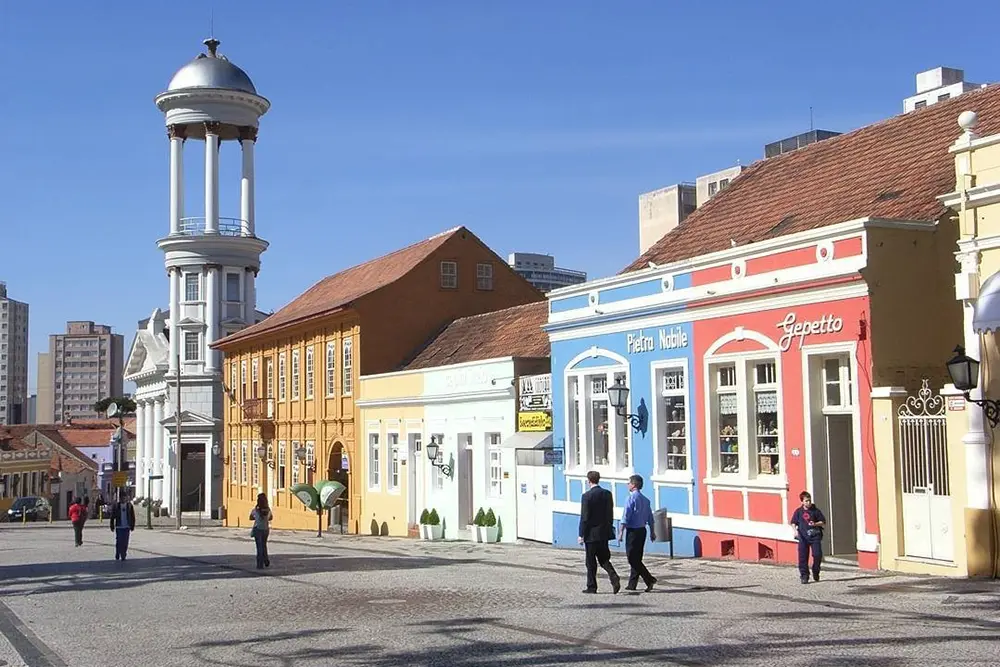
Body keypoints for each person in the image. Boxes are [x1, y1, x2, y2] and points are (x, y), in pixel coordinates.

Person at [578, 470, 621, 594]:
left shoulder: (587, 496)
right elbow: (610, 513)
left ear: (589, 481)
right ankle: (613, 576)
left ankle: (592, 586)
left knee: (590, 561)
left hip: (591, 534)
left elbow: (585, 517)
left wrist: (581, 534)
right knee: (604, 559)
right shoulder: (607, 494)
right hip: (604, 532)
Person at [618, 474, 657, 592]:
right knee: (637, 557)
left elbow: (626, 516)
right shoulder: (646, 500)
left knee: (632, 558)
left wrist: (621, 532)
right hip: (642, 530)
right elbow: (650, 517)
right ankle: (632, 583)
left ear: (633, 485)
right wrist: (652, 532)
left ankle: (649, 578)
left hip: (633, 531)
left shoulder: (631, 498)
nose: (627, 485)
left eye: (629, 483)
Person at [790, 490, 826, 584]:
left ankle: (816, 570)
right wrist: (795, 532)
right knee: (803, 557)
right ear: (802, 502)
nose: (808, 502)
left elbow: (823, 522)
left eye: (809, 500)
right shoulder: (798, 512)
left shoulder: (815, 511)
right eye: (806, 501)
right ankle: (804, 576)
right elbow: (793, 522)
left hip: (815, 536)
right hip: (803, 537)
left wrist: (815, 524)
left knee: (817, 555)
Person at [109, 494, 136, 561]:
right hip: (119, 526)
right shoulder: (116, 506)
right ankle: (118, 553)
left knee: (125, 542)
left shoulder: (129, 506)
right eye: (122, 498)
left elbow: (132, 516)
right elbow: (112, 516)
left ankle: (123, 554)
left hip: (127, 526)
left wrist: (132, 525)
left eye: (124, 498)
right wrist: (112, 525)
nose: (123, 499)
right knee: (119, 541)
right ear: (120, 499)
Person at [250, 493, 272, 569]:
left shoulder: (256, 510)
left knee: (259, 547)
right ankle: (266, 560)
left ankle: (260, 564)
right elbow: (271, 517)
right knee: (264, 545)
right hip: (265, 529)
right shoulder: (268, 509)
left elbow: (251, 517)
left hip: (257, 529)